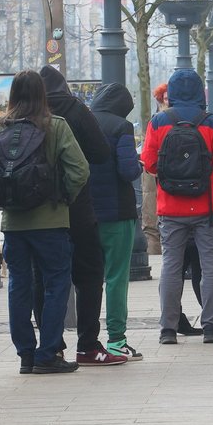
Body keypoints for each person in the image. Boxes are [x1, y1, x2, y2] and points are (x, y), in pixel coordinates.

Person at [0, 70, 90, 375]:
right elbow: (80, 170)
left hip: (14, 223)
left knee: (18, 284)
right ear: (42, 96)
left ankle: (25, 355)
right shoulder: (55, 126)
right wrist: (64, 198)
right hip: (51, 221)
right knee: (56, 284)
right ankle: (48, 352)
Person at [39, 66, 123, 366]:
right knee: (89, 274)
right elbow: (101, 152)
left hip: (38, 210)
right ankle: (87, 343)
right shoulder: (75, 109)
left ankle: (51, 345)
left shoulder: (28, 112)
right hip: (78, 206)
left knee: (45, 277)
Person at [142, 70, 213, 345]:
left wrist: (171, 179)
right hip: (207, 207)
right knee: (209, 266)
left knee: (171, 266)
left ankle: (168, 329)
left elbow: (148, 163)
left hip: (170, 208)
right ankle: (211, 327)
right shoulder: (212, 123)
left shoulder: (158, 122)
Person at [90, 83, 144, 361]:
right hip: (117, 213)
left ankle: (88, 340)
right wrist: (139, 164)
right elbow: (127, 170)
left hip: (86, 214)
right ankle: (116, 339)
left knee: (89, 280)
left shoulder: (81, 121)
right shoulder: (121, 127)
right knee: (116, 278)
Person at [141, 83, 169, 255]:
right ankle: (154, 255)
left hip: (162, 176)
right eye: (165, 99)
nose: (167, 102)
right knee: (151, 225)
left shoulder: (157, 122)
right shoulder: (156, 122)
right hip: (154, 177)